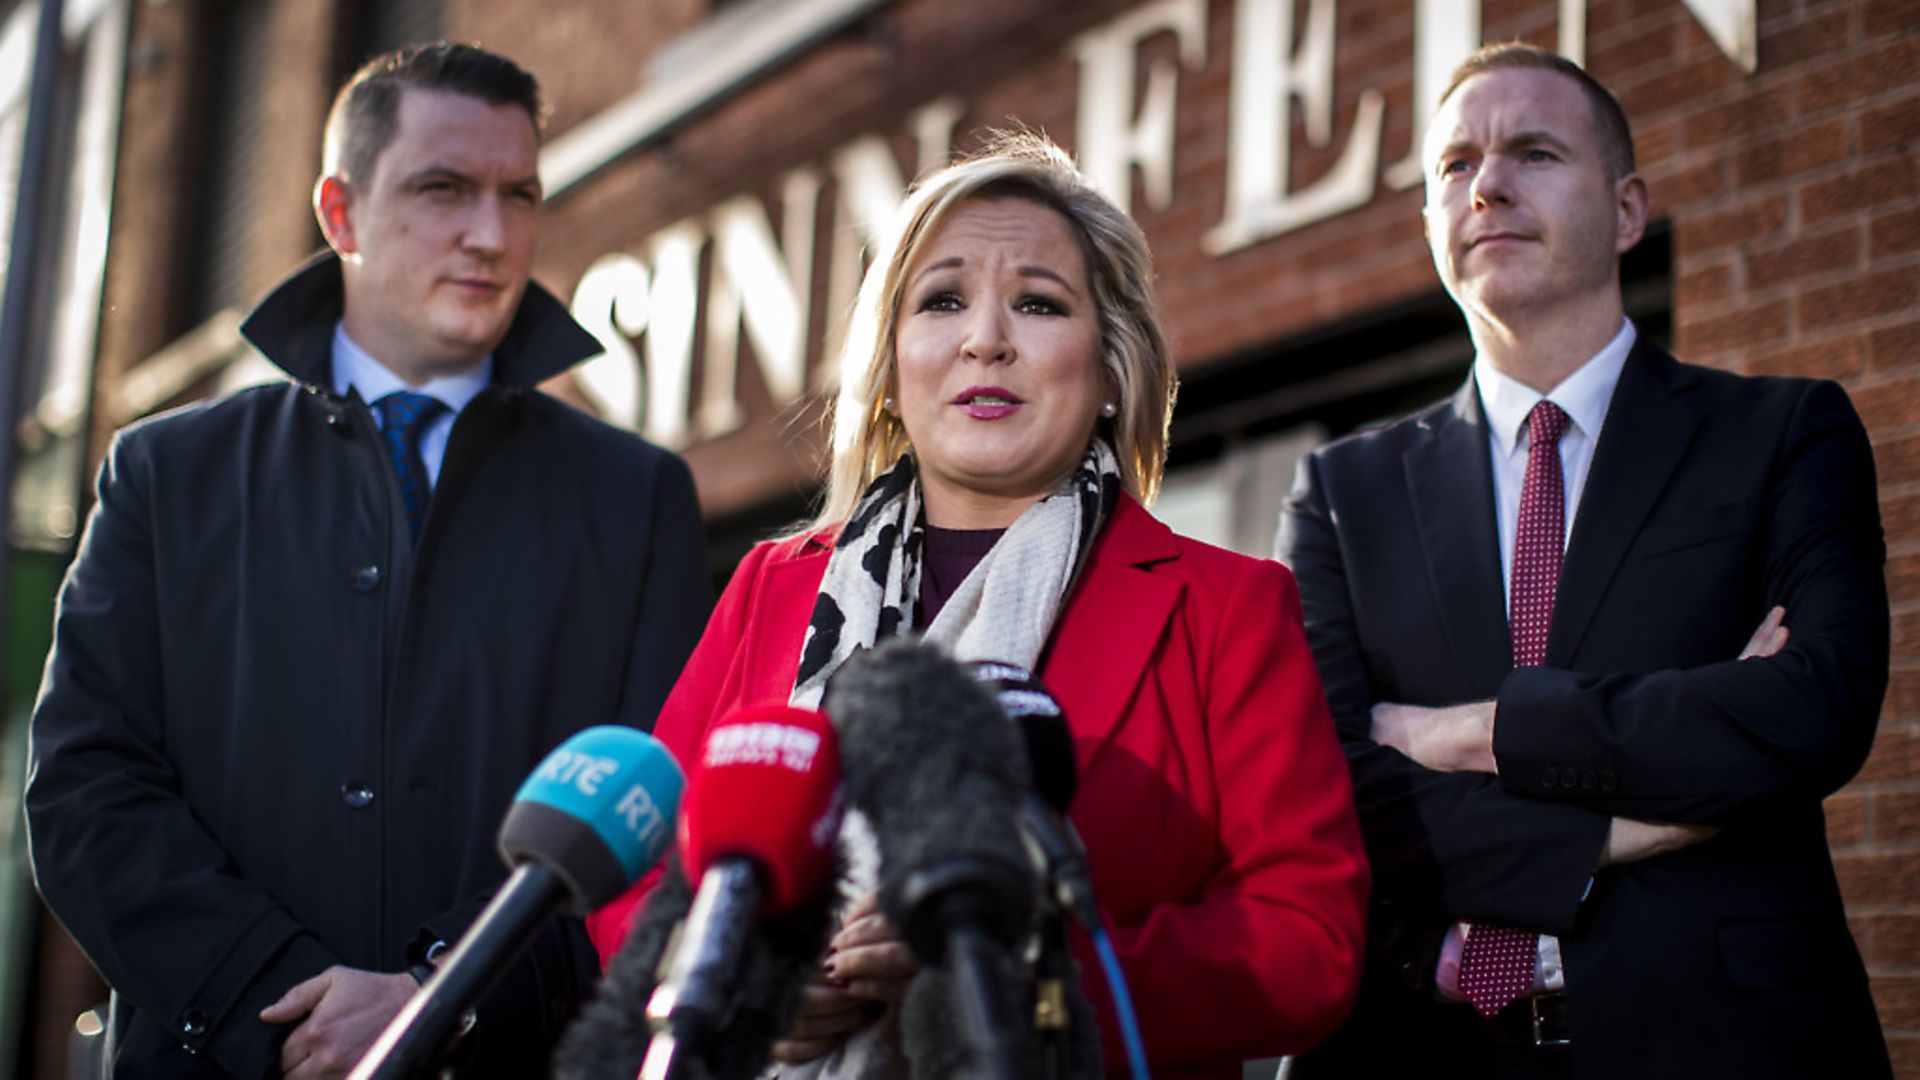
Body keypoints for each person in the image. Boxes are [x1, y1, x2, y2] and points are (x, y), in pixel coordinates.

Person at [586, 133, 1369, 1078]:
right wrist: (744, 983)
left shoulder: (1229, 607)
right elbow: (641, 880)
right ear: (890, 371)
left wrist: (995, 969)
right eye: (942, 299)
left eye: (1037, 303)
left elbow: (1306, 942)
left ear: (1112, 369)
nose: (985, 338)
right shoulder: (769, 586)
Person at [25, 42, 712, 1079]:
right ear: (339, 213)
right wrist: (278, 1004)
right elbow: (85, 792)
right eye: (445, 189)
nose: (491, 234)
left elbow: (659, 816)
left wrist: (447, 994)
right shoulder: (167, 473)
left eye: (518, 193)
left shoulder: (636, 498)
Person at [1276, 43, 1890, 1080]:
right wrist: (1623, 829)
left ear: (1628, 209)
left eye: (1534, 152)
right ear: (1430, 219)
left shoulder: (1782, 434)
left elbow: (1812, 710)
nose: (1489, 186)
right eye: (1455, 165)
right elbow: (1321, 784)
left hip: (1726, 1041)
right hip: (1422, 1043)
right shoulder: (1343, 489)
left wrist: (1481, 731)